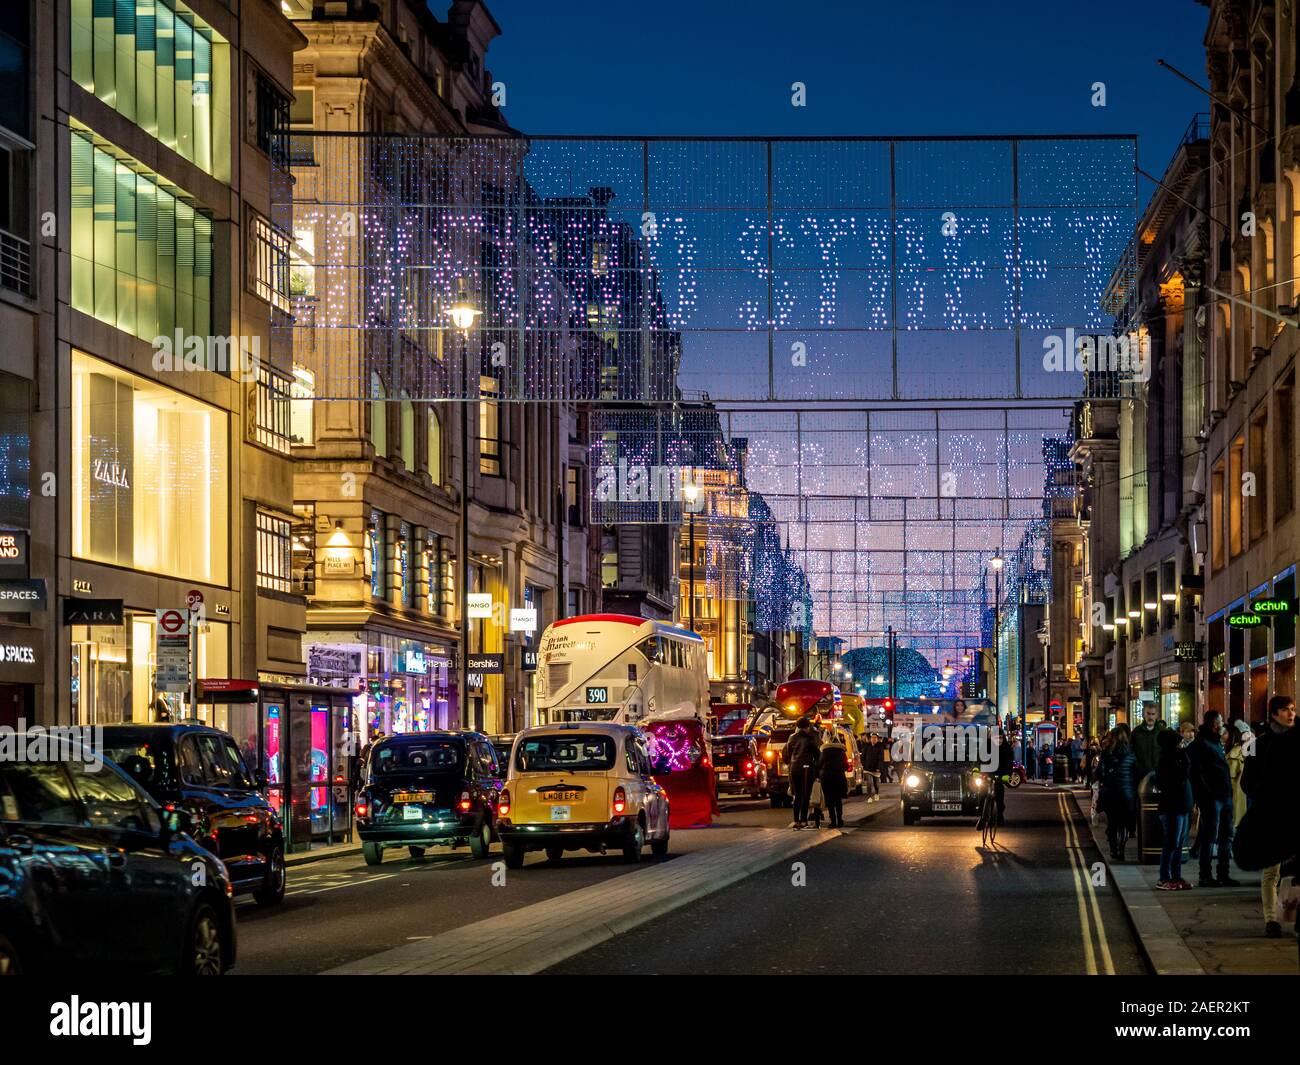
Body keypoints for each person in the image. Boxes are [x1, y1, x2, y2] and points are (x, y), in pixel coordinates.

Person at [1241, 695, 1296, 935]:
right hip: (1272, 815)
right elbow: (1246, 782)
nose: (1291, 714)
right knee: (1271, 871)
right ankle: (1271, 919)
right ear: (1274, 714)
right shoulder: (1258, 744)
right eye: (1285, 710)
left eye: (1293, 709)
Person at [1189, 711, 1238, 888]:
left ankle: (1223, 874)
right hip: (1213, 799)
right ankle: (1205, 875)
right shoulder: (1201, 744)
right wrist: (1205, 796)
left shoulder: (1215, 742)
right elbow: (1196, 774)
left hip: (1224, 796)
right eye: (1221, 722)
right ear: (1214, 725)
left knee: (1226, 836)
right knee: (1210, 837)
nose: (1223, 724)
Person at [1154, 728, 1193, 891]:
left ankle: (1176, 877)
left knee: (1178, 844)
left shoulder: (1178, 757)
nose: (1181, 744)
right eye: (1178, 742)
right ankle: (1164, 878)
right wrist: (1184, 762)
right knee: (1171, 843)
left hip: (1182, 805)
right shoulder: (1166, 760)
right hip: (1172, 807)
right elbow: (1176, 780)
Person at [1098, 724, 1138, 861]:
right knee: (1124, 824)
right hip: (1127, 794)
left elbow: (1100, 773)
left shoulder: (1106, 753)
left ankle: (1113, 849)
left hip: (1110, 793)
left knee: (1113, 822)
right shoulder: (1131, 754)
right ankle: (1121, 849)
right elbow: (1136, 773)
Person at [783, 717, 821, 829]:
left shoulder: (791, 738)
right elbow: (817, 754)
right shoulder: (810, 738)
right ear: (807, 727)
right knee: (805, 795)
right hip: (806, 768)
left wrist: (791, 763)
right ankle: (804, 820)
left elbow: (786, 753)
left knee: (797, 795)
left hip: (794, 768)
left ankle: (796, 820)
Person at [817, 729, 849, 829]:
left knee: (830, 800)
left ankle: (833, 821)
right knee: (838, 800)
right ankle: (840, 820)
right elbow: (846, 766)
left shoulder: (824, 751)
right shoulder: (841, 752)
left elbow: (819, 764)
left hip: (826, 778)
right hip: (839, 777)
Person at [1130, 704, 1167, 782]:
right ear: (1144, 714)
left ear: (1156, 715)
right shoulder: (1136, 732)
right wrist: (1137, 766)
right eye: (1148, 714)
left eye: (1153, 714)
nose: (1150, 717)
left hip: (1159, 774)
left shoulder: (1162, 732)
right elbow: (1131, 751)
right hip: (1140, 775)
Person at [1227, 719, 1252, 827]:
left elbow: (1232, 773)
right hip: (1246, 789)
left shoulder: (1235, 752)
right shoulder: (1248, 747)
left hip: (1237, 789)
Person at [861, 732, 884, 801]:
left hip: (876, 769)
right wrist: (864, 764)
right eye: (872, 738)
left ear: (877, 739)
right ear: (870, 739)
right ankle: (869, 797)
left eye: (875, 738)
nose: (874, 739)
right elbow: (863, 757)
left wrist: (878, 768)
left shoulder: (880, 747)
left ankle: (876, 794)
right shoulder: (866, 746)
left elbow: (881, 758)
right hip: (867, 768)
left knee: (876, 783)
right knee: (869, 783)